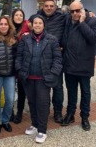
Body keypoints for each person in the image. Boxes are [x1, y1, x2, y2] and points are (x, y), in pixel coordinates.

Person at [15, 15, 62, 144]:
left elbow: (58, 59)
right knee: (31, 102)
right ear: (32, 25)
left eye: (40, 23)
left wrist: (53, 73)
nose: (37, 25)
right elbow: (18, 56)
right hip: (28, 78)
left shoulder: (52, 40)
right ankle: (35, 124)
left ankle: (42, 130)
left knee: (42, 104)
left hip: (43, 78)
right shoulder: (25, 39)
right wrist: (20, 70)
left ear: (43, 25)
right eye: (35, 23)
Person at [61, 1, 96, 131]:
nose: (75, 14)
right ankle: (70, 114)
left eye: (78, 11)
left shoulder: (93, 21)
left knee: (85, 92)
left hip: (84, 64)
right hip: (69, 64)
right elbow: (52, 13)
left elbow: (94, 38)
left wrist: (82, 22)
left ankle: (84, 117)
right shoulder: (67, 19)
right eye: (72, 11)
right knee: (71, 92)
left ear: (83, 10)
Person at [37, 0, 67, 123]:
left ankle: (58, 112)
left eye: (51, 6)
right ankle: (45, 111)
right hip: (41, 58)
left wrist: (88, 13)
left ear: (55, 7)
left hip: (56, 57)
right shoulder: (37, 16)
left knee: (58, 87)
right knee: (43, 87)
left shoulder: (62, 17)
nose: (49, 8)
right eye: (46, 6)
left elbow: (77, 15)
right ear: (43, 7)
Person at [10, 8, 31, 124]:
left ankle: (19, 113)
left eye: (21, 15)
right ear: (13, 16)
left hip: (23, 64)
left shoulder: (28, 27)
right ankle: (10, 112)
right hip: (10, 63)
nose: (19, 17)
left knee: (22, 90)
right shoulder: (8, 28)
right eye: (16, 15)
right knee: (10, 90)